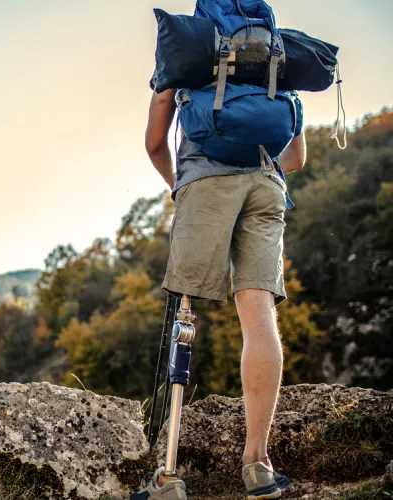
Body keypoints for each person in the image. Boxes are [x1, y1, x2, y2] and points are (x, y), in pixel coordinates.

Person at [138, 88, 306, 500]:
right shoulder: (273, 58)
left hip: (204, 181)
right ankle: (258, 466)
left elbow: (155, 143)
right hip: (267, 183)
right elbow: (297, 157)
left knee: (185, 312)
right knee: (260, 313)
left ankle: (170, 477)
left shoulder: (188, 51)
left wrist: (181, 183)